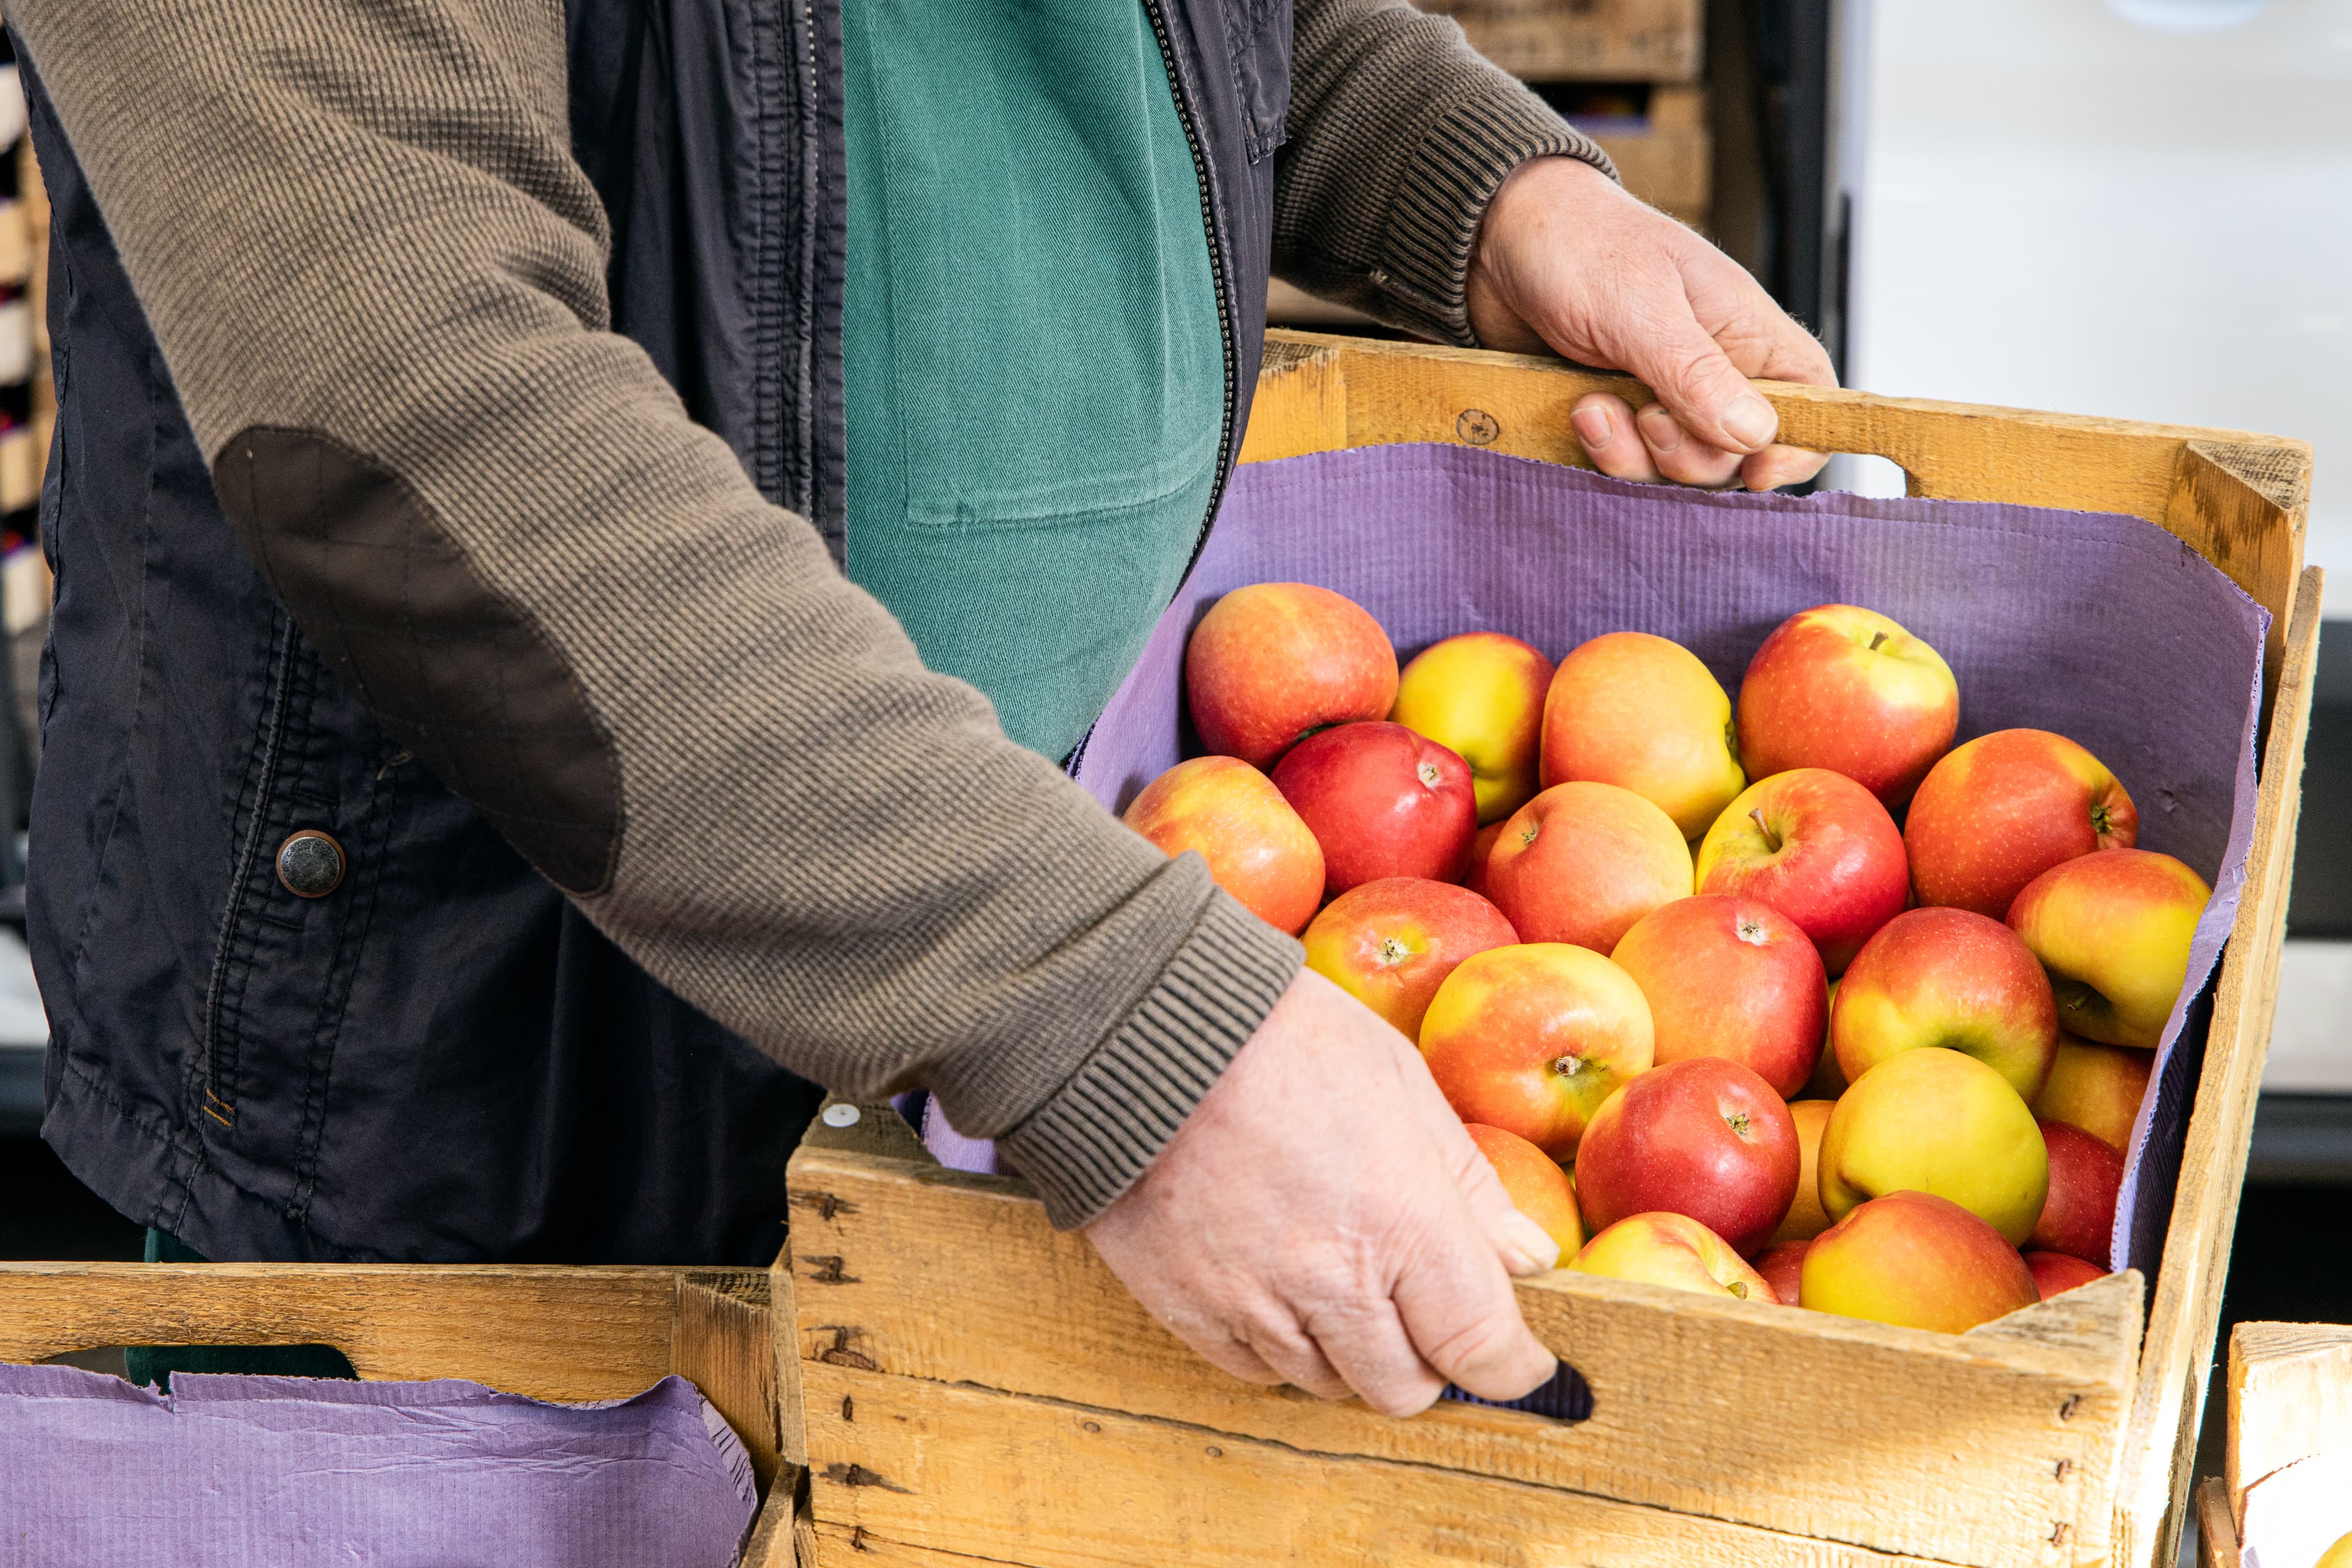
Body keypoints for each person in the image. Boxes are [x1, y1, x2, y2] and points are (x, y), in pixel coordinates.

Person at [9, 0, 1833, 1417]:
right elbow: (413, 395)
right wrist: (1102, 1006)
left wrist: (1468, 180)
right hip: (497, 1089)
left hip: (1103, 969)